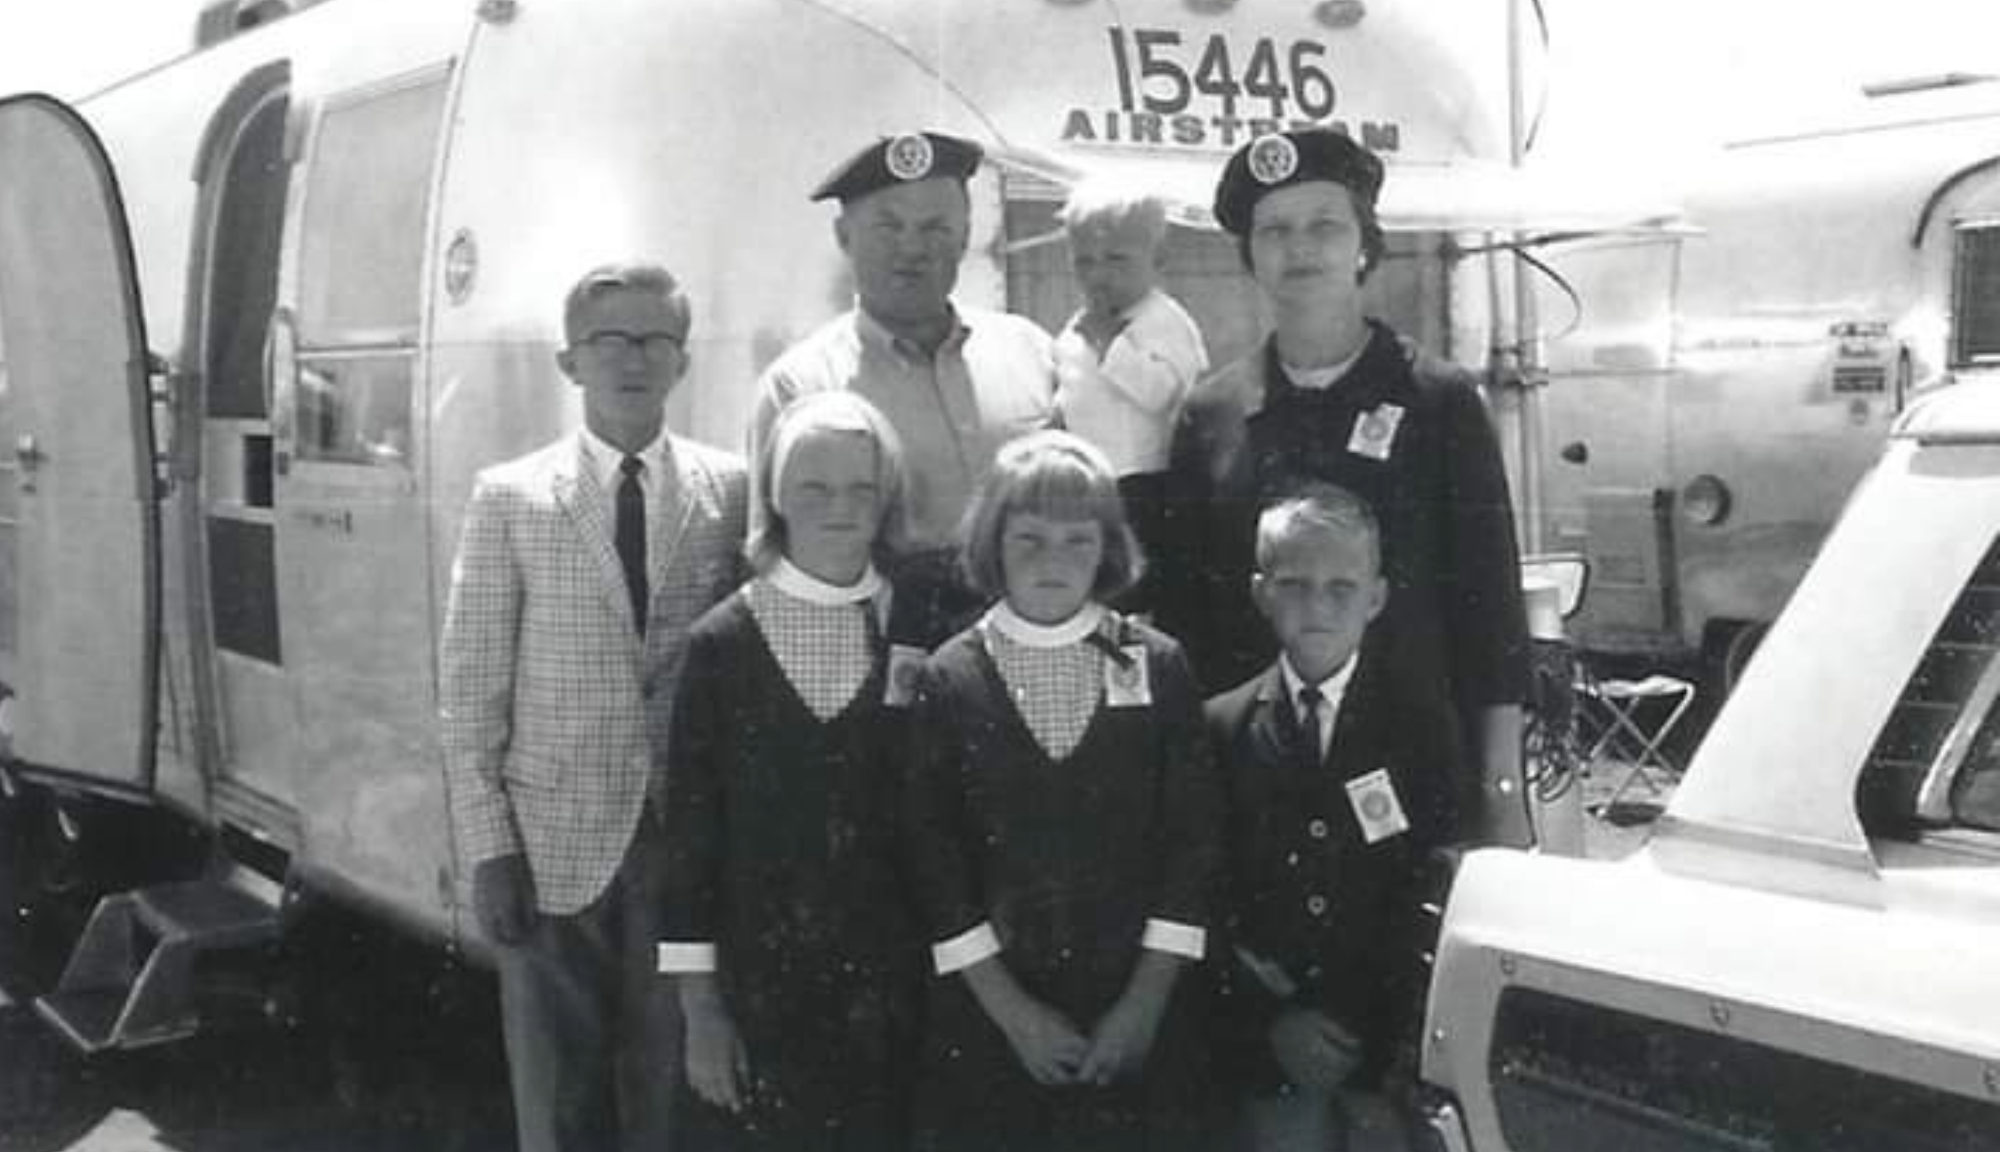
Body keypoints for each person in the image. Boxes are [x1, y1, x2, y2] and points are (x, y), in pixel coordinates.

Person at [439, 262, 748, 1152]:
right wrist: (490, 848)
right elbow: (469, 694)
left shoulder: (726, 491)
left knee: (672, 1091)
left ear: (682, 363)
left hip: (680, 844)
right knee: (560, 1098)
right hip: (551, 844)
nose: (633, 359)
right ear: (570, 361)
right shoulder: (512, 497)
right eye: (610, 340)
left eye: (656, 340)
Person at [1157, 128, 1532, 847]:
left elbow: (1491, 616)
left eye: (1325, 225)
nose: (1301, 248)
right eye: (1276, 231)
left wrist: (1502, 793)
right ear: (1251, 256)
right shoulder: (1212, 413)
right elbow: (1188, 620)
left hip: (1415, 781)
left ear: (1364, 242)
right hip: (1255, 788)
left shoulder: (1437, 400)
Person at [902, 430, 1221, 1152]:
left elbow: (1193, 842)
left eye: (1079, 540)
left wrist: (1143, 1006)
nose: (1054, 560)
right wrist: (1014, 1015)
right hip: (996, 1026)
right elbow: (933, 861)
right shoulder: (949, 677)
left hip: (1136, 1017)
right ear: (994, 541)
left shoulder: (1155, 663)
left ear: (1108, 549)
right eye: (1030, 538)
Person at [656, 391, 930, 1151]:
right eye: (813, 487)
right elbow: (691, 840)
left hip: (895, 991)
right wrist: (702, 1011)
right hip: (760, 993)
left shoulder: (923, 620)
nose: (839, 508)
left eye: (861, 489)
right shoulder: (722, 643)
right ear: (775, 493)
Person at [1205, 486, 1462, 1152]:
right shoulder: (1223, 727)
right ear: (1261, 592)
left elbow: (1433, 888)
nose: (1317, 605)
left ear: (1376, 598)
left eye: (1341, 587)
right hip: (1272, 1046)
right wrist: (1273, 1021)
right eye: (1294, 584)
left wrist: (1378, 1041)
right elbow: (1206, 895)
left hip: (1383, 1050)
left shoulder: (1420, 727)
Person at [750, 130, 1056, 635]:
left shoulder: (1030, 352)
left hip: (1030, 643)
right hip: (878, 653)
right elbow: (769, 560)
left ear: (965, 235)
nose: (912, 248)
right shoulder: (800, 386)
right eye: (888, 227)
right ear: (844, 237)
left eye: (935, 227)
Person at [1051, 179, 1209, 611]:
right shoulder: (1083, 322)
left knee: (1137, 587)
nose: (1099, 275)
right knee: (1095, 581)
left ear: (1158, 260)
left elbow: (1162, 393)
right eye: (1085, 262)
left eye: (1117, 260)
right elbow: (1070, 379)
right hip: (1089, 481)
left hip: (1145, 482)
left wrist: (1109, 346)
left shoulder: (1164, 321)